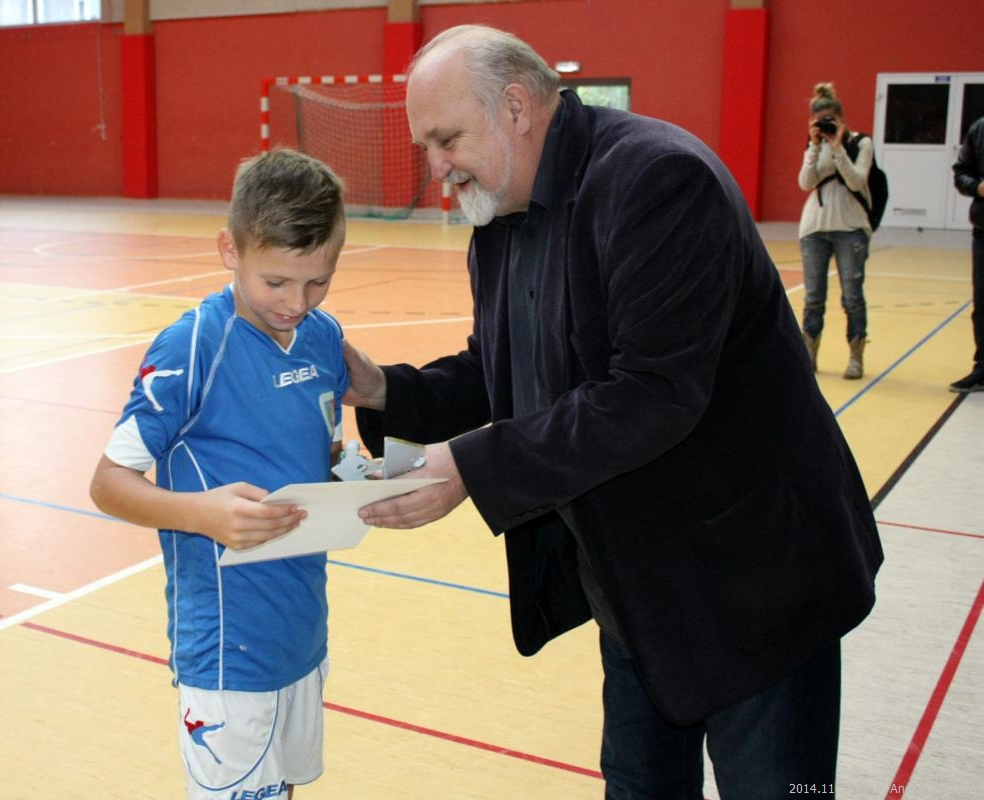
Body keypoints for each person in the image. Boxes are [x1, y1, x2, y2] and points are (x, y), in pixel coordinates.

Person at [341, 25, 883, 799]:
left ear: (516, 108)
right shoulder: (501, 218)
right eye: (425, 145)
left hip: (755, 581)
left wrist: (468, 467)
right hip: (638, 589)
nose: (435, 169)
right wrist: (383, 390)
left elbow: (652, 393)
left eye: (446, 139)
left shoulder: (656, 180)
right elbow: (505, 372)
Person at [89, 149, 349, 800]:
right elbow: (108, 483)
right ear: (229, 249)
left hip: (301, 631)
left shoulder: (323, 336)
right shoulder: (192, 345)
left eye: (317, 282)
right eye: (276, 282)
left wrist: (362, 482)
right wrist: (201, 514)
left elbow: (325, 455)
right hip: (227, 648)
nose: (296, 303)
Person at [797, 82, 876, 379]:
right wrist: (814, 145)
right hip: (814, 228)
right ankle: (808, 355)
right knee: (813, 297)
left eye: (830, 119)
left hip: (851, 227)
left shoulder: (861, 144)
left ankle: (856, 357)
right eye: (820, 121)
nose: (826, 125)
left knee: (852, 297)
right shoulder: (814, 146)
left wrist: (837, 146)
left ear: (841, 118)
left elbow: (856, 181)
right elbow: (805, 183)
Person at [949, 114, 984, 393]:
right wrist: (977, 187)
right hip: (983, 230)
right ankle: (982, 368)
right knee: (982, 303)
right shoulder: (980, 129)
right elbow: (961, 173)